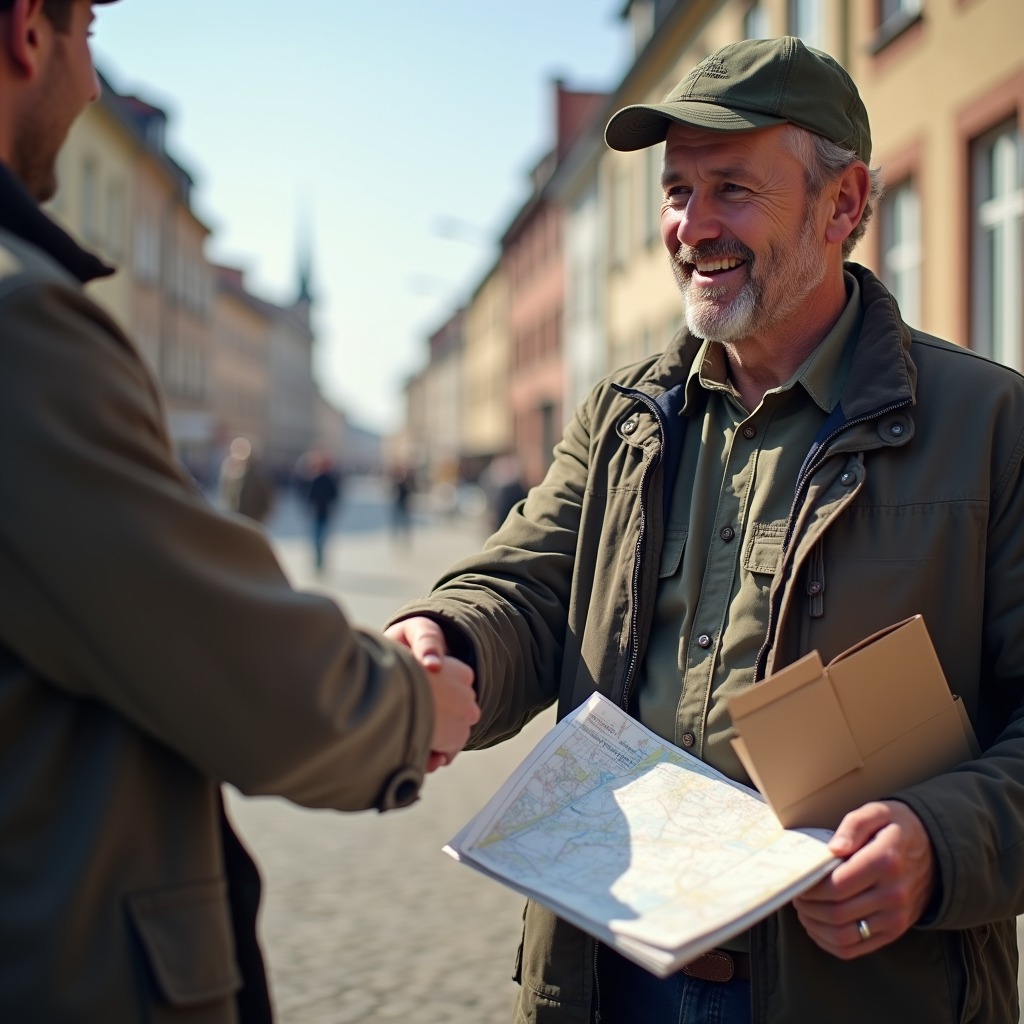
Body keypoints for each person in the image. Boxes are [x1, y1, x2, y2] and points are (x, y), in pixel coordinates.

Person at [386, 35, 1024, 1024]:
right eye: (676, 191)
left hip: (857, 985)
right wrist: (448, 640)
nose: (692, 226)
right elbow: (526, 586)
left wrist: (940, 842)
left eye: (731, 188)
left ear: (844, 204)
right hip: (610, 974)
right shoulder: (625, 413)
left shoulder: (988, 426)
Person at [0, 2, 479, 1020]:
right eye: (84, 32)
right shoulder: (20, 317)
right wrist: (407, 701)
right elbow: (214, 645)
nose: (90, 85)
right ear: (26, 33)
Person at [218, 436, 276, 523]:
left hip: (250, 520)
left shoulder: (258, 474)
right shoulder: (229, 473)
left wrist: (258, 519)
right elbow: (226, 497)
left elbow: (267, 500)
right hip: (234, 519)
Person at [303, 452, 341, 571]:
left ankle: (320, 560)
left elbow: (335, 496)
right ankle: (318, 560)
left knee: (321, 538)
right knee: (316, 538)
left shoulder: (330, 480)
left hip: (324, 513)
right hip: (317, 513)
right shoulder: (316, 479)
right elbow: (310, 496)